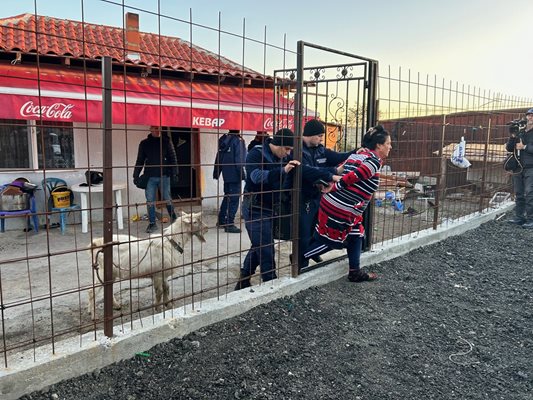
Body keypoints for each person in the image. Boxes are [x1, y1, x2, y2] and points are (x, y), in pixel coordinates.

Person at [302, 125, 392, 282]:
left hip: (341, 206)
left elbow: (342, 168)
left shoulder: (360, 155)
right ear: (378, 145)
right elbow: (354, 176)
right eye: (388, 143)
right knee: (332, 240)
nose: (390, 147)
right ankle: (300, 257)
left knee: (356, 234)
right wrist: (335, 186)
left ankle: (354, 272)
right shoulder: (373, 161)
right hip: (340, 208)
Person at [235, 128, 300, 290]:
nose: (288, 153)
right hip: (254, 207)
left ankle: (243, 280)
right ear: (278, 145)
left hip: (272, 207)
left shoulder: (283, 156)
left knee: (260, 244)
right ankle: (271, 283)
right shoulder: (255, 153)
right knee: (266, 248)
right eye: (287, 149)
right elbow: (255, 177)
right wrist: (283, 170)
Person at [288, 119, 352, 268]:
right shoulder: (296, 151)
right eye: (319, 136)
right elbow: (307, 171)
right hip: (302, 199)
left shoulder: (320, 149)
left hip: (318, 197)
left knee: (320, 231)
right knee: (302, 236)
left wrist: (358, 151)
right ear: (310, 135)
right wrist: (332, 175)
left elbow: (339, 157)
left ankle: (309, 253)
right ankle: (299, 266)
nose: (321, 139)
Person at [133, 126, 178, 233]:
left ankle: (175, 219)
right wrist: (135, 175)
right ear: (150, 129)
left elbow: (173, 158)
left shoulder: (166, 142)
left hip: (164, 176)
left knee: (167, 198)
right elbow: (140, 160)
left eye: (158, 127)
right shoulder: (144, 143)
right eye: (154, 128)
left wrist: (175, 173)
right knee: (150, 201)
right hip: (150, 177)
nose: (156, 130)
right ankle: (152, 223)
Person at [213, 129, 247, 233]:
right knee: (234, 199)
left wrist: (216, 172)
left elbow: (218, 157)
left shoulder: (224, 140)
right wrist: (243, 174)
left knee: (227, 196)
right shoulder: (237, 141)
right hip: (235, 174)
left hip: (226, 174)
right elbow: (239, 159)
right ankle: (229, 223)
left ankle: (222, 220)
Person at [506, 108, 533, 229]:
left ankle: (531, 219)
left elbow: (524, 147)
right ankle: (519, 217)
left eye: (532, 115)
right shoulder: (520, 132)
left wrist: (525, 147)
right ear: (526, 117)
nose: (531, 117)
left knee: (530, 193)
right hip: (518, 167)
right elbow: (509, 148)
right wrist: (512, 136)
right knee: (519, 193)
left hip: (531, 167)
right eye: (529, 115)